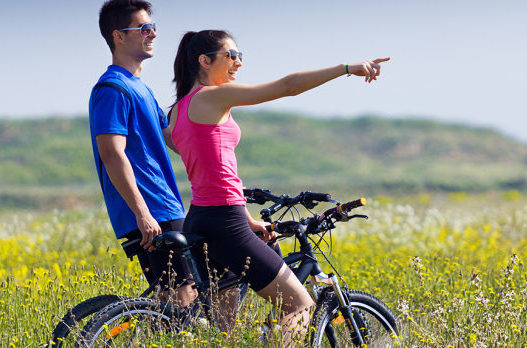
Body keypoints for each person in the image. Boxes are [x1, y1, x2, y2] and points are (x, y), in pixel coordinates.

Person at [168, 29, 389, 344]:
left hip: (203, 218)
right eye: (231, 55)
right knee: (299, 304)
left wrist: (248, 219)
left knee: (224, 334)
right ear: (205, 60)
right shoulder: (212, 96)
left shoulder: (178, 110)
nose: (238, 63)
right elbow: (287, 86)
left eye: (240, 55)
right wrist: (346, 69)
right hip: (224, 223)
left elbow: (211, 174)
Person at [88, 0, 194, 305]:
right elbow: (112, 154)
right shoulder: (112, 90)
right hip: (152, 213)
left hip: (167, 206)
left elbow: (175, 141)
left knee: (186, 299)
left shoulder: (141, 89)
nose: (153, 34)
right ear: (119, 36)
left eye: (153, 27)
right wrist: (142, 212)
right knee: (180, 301)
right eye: (144, 28)